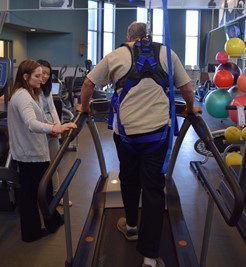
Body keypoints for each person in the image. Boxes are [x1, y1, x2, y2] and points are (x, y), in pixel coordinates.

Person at [78, 22, 200, 267]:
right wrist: (188, 109)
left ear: (128, 37)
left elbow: (88, 84)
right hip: (156, 135)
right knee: (154, 190)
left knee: (129, 178)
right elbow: (187, 87)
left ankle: (131, 225)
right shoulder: (167, 52)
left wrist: (86, 107)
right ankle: (150, 257)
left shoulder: (116, 55)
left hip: (126, 136)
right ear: (148, 37)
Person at [8, 59, 76, 242]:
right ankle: (34, 232)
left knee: (37, 193)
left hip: (31, 151)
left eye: (42, 75)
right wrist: (55, 129)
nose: (42, 79)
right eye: (37, 76)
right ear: (25, 76)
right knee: (34, 194)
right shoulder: (22, 96)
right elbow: (30, 123)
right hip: (30, 154)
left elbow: (35, 119)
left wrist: (51, 124)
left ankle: (49, 223)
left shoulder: (28, 93)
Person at [37, 59, 72, 206]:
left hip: (52, 131)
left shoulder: (47, 90)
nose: (44, 77)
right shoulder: (32, 91)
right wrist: (51, 127)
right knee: (43, 166)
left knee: (55, 164)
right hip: (41, 131)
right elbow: (38, 114)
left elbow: (51, 109)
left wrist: (57, 126)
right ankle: (42, 197)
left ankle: (57, 195)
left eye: (47, 74)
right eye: (42, 73)